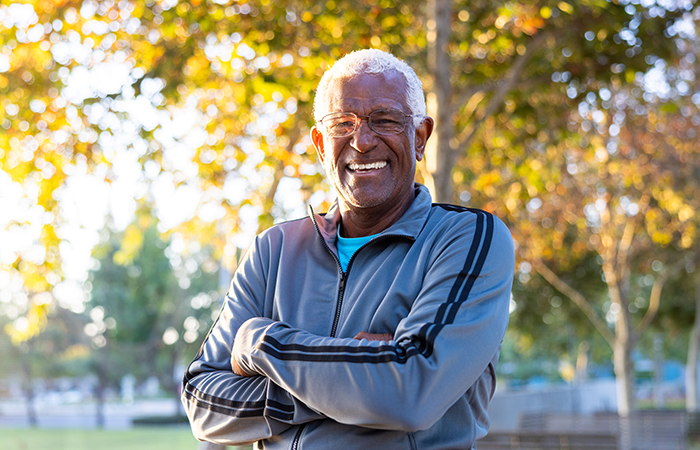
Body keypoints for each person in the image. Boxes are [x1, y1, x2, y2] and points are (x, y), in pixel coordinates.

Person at [181, 49, 514, 450]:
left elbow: (411, 391)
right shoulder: (273, 250)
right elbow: (203, 402)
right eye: (343, 124)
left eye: (385, 120)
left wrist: (262, 342)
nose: (362, 140)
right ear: (321, 144)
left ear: (421, 137)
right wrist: (361, 378)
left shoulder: (468, 238)